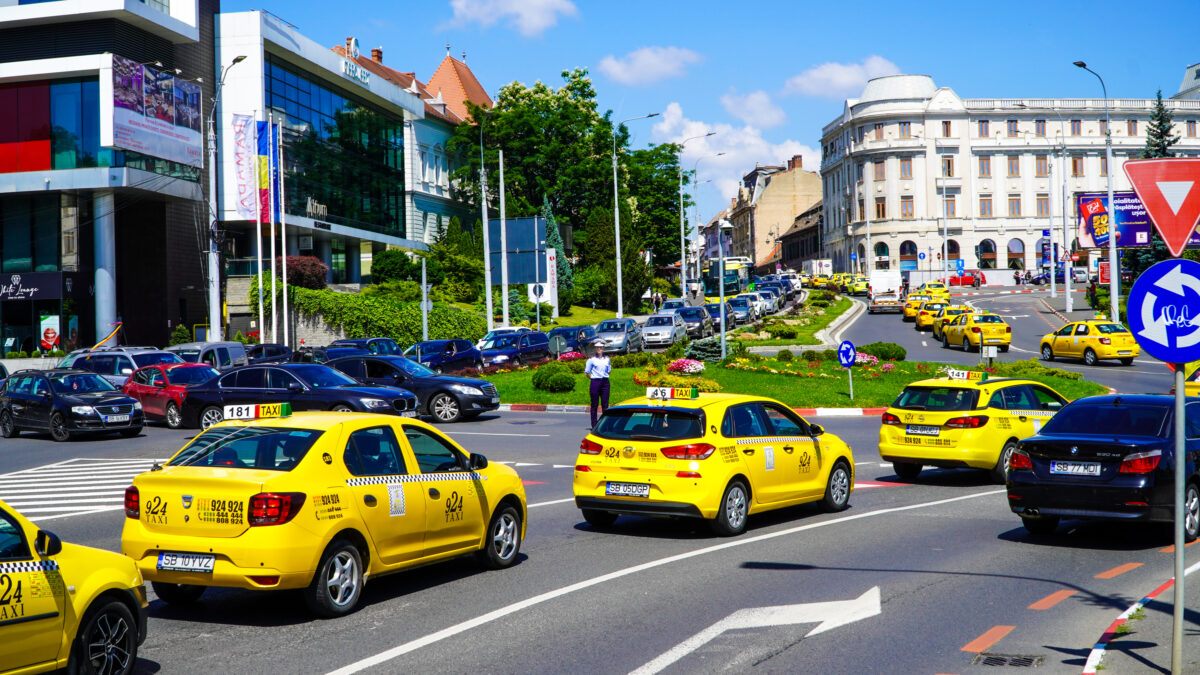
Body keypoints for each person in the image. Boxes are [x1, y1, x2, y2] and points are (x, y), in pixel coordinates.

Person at [585, 341, 611, 427]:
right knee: (594, 404)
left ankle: (605, 425)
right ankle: (594, 425)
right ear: (595, 348)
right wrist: (593, 378)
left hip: (605, 382)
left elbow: (609, 371)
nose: (599, 349)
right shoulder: (591, 360)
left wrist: (604, 377)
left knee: (605, 404)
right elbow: (587, 373)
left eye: (600, 347)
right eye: (597, 347)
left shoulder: (607, 359)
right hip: (595, 382)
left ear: (603, 348)